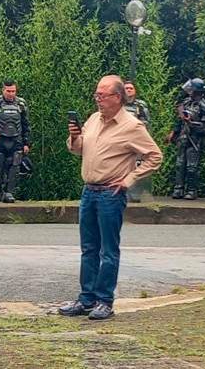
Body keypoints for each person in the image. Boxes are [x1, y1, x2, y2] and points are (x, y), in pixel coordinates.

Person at [58, 75, 163, 321]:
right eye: (96, 94)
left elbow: (155, 156)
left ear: (117, 97)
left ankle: (104, 301)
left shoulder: (132, 126)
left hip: (110, 193)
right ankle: (86, 299)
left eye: (102, 95)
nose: (97, 98)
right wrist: (74, 136)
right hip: (89, 191)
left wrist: (129, 180)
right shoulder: (93, 119)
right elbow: (78, 149)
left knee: (108, 250)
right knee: (88, 248)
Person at [168, 78, 205, 200]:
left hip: (195, 139)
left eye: (191, 88)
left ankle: (191, 190)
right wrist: (174, 132)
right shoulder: (186, 102)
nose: (189, 90)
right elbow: (179, 120)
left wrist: (191, 123)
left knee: (192, 166)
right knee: (179, 164)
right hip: (183, 137)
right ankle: (178, 188)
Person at [122, 81, 151, 203]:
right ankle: (122, 194)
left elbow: (147, 122)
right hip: (121, 141)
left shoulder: (141, 105)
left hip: (137, 141)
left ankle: (135, 195)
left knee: (137, 167)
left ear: (135, 91)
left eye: (131, 88)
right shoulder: (118, 104)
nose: (129, 90)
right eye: (126, 88)